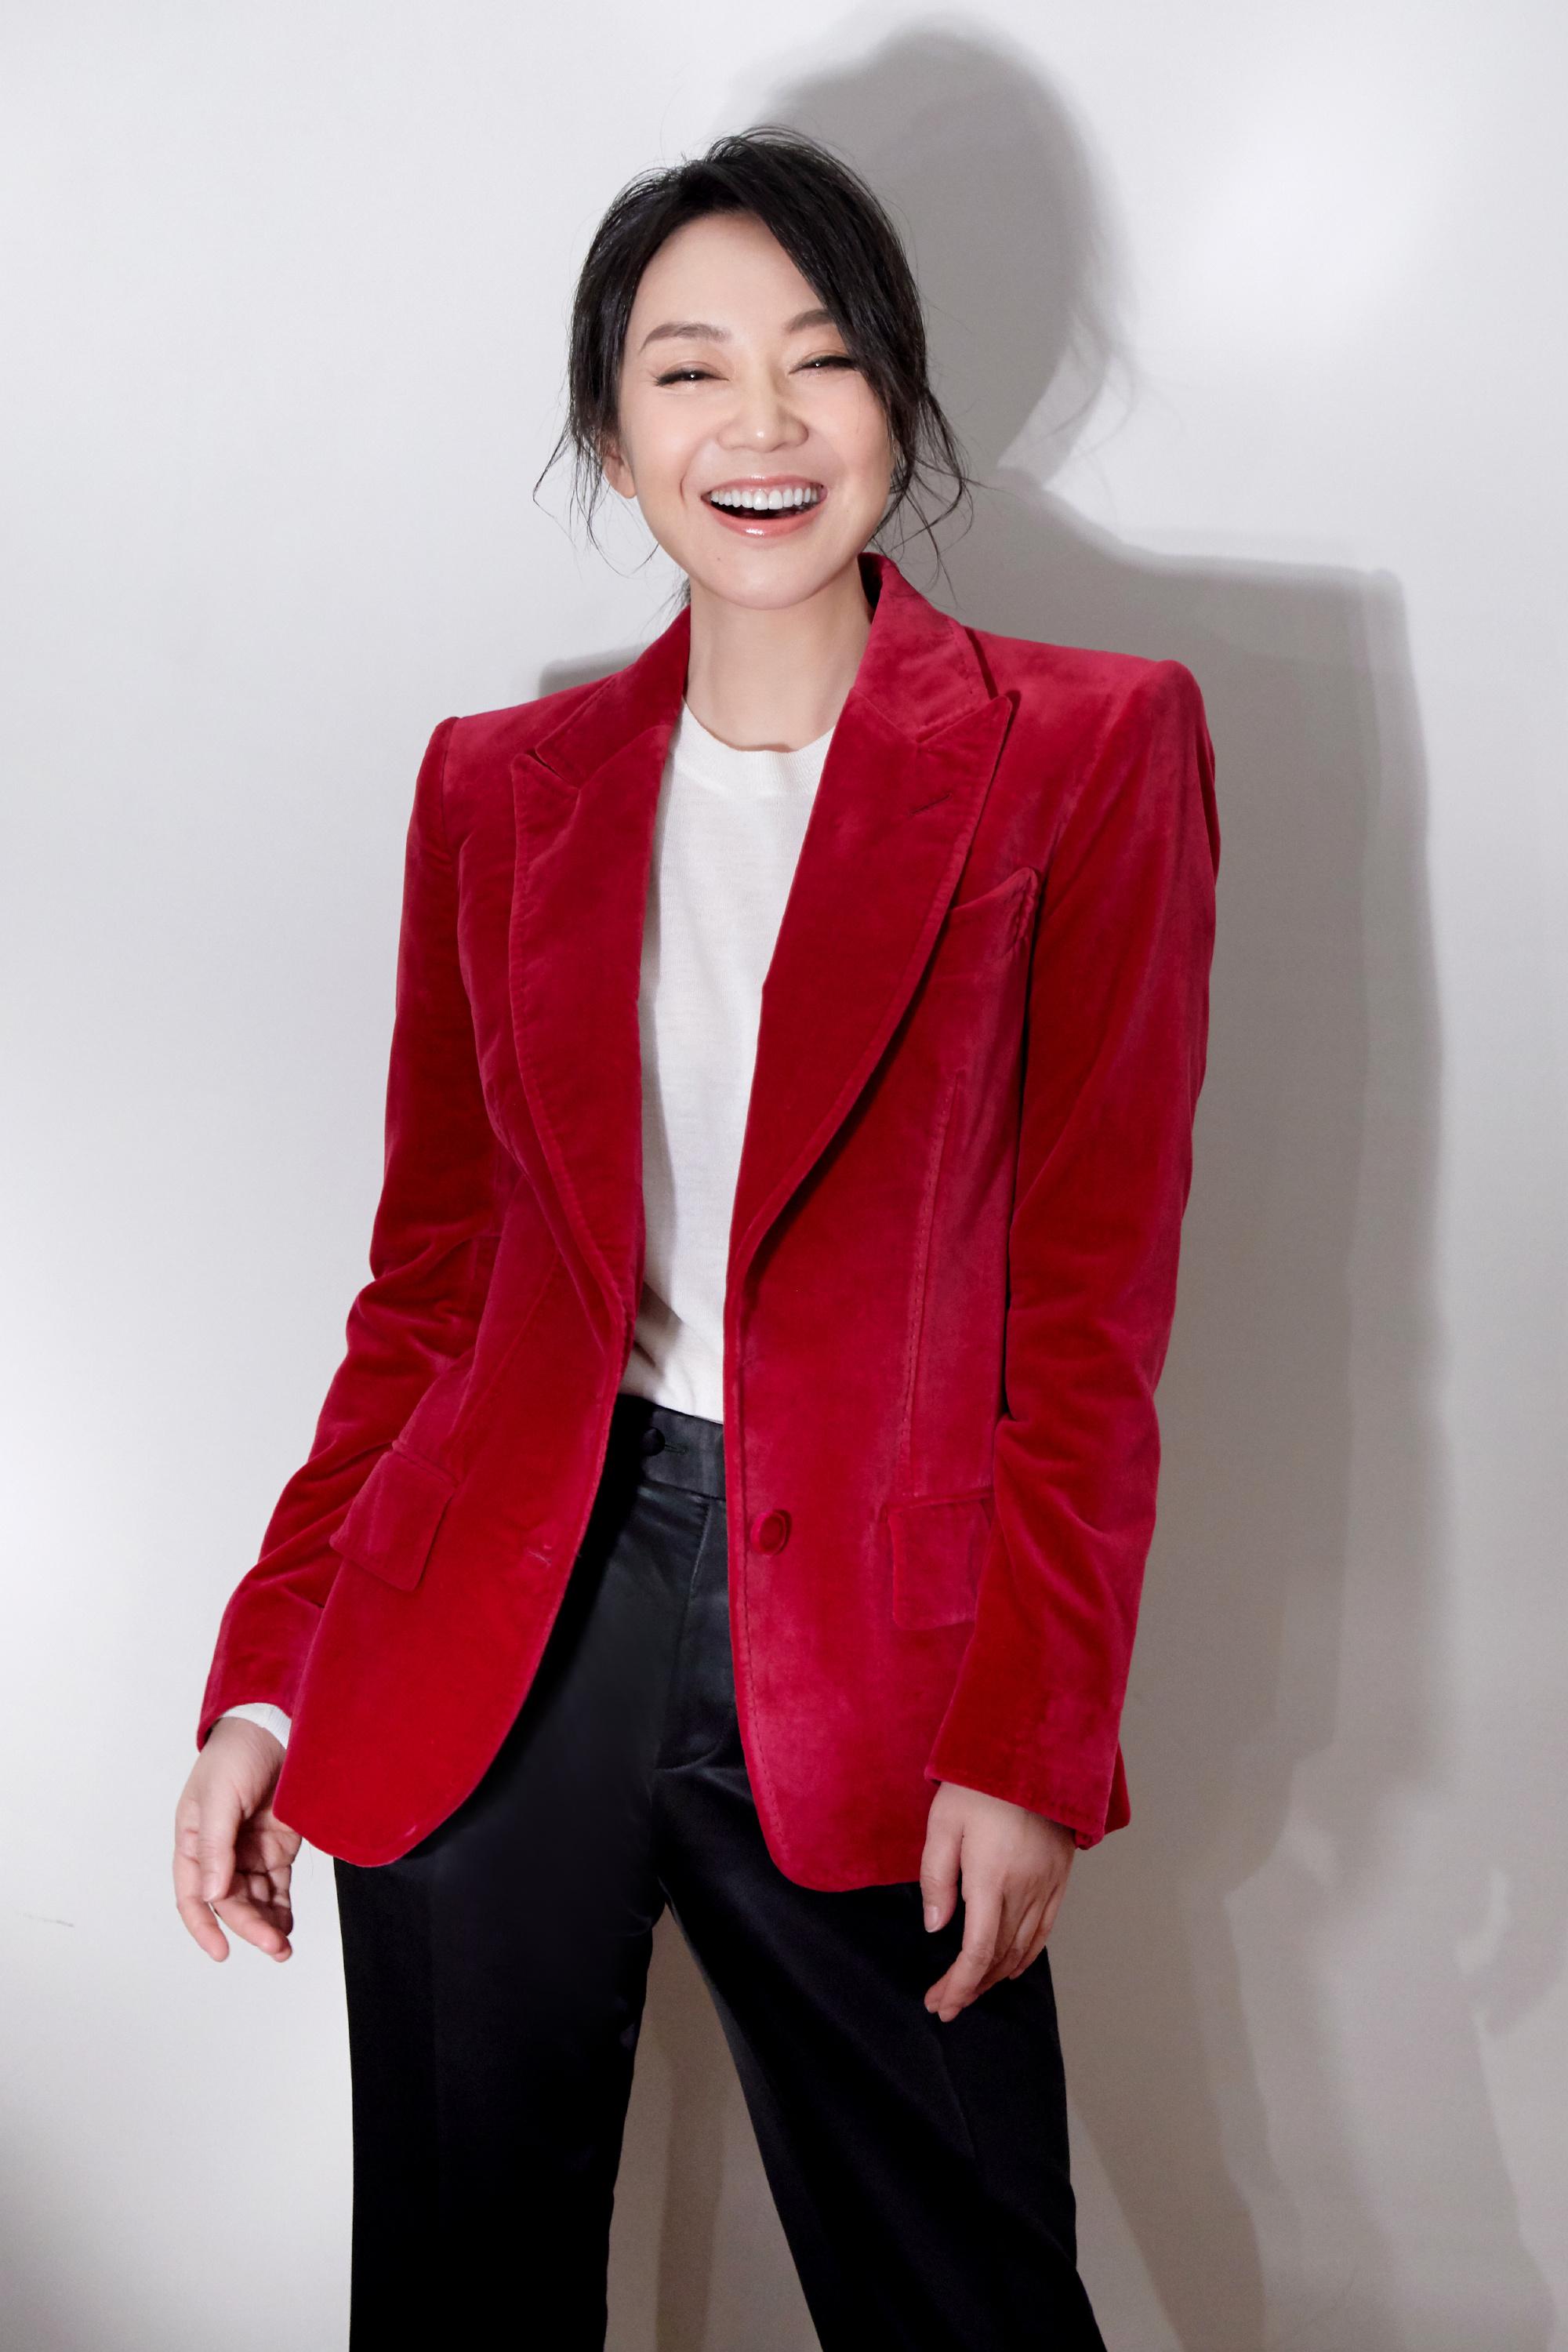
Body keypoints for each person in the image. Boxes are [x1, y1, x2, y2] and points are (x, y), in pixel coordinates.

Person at [173, 125, 1219, 2350]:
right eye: (689, 371)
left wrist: (1033, 1735)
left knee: (964, 2297)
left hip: (883, 1657)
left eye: (821, 361)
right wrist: (269, 1677)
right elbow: (431, 1293)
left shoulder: (1092, 751)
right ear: (611, 428)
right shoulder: (498, 788)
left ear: (900, 397)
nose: (762, 425)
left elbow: (1090, 1308)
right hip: (492, 1625)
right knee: (459, 2299)